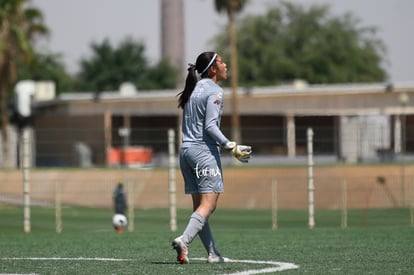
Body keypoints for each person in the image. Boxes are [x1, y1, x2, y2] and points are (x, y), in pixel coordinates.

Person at [172, 52, 252, 264]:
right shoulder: (214, 91)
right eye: (221, 61)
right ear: (213, 69)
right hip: (203, 154)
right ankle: (184, 239)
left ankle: (212, 253)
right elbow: (210, 127)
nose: (226, 64)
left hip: (186, 153)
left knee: (200, 208)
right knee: (209, 205)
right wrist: (231, 146)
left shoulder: (193, 89)